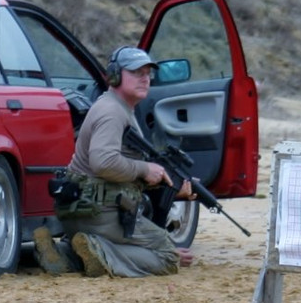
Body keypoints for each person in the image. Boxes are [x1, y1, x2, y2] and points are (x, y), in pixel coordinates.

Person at [33, 46, 195, 277]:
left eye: (148, 73)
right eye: (136, 72)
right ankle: (101, 250)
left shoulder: (113, 106)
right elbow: (103, 162)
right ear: (115, 75)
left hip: (82, 213)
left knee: (150, 244)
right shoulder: (112, 112)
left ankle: (64, 253)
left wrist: (166, 183)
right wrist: (145, 168)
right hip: (102, 215)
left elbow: (116, 168)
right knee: (168, 256)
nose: (145, 78)